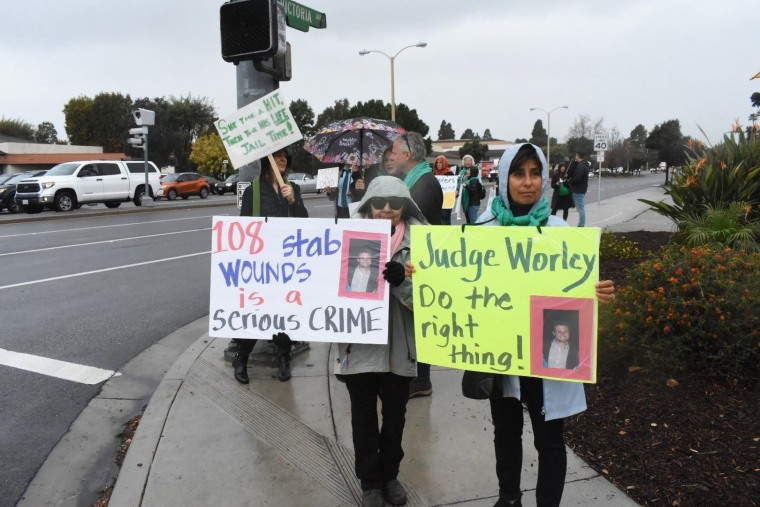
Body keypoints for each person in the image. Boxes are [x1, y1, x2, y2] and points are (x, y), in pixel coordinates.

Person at [477, 143, 615, 507]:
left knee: (549, 437)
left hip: (545, 354)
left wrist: (597, 292)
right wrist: (423, 272)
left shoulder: (558, 230)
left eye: (535, 173)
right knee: (505, 432)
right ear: (504, 178)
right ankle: (509, 498)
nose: (527, 182)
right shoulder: (482, 228)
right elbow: (459, 281)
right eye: (518, 173)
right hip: (500, 351)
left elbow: (576, 286)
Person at [337, 175, 428, 507]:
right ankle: (370, 482)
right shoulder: (345, 238)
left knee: (395, 418)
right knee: (362, 419)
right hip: (357, 347)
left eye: (395, 203)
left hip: (400, 349)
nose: (386, 210)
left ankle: (390, 475)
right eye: (379, 203)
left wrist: (403, 282)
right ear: (368, 205)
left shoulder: (423, 243)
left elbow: (432, 302)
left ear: (405, 206)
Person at [232, 147, 308, 384]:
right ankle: (241, 358)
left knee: (285, 311)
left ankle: (284, 358)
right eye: (277, 155)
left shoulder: (292, 188)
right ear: (267, 161)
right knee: (257, 313)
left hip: (286, 262)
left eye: (285, 156)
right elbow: (244, 229)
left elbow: (304, 221)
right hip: (261, 263)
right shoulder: (253, 191)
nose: (282, 159)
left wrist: (293, 201)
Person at [388, 131, 443, 398]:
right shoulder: (417, 180)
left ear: (407, 155)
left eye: (396, 152)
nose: (393, 156)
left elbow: (413, 225)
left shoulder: (424, 184)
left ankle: (422, 380)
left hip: (418, 270)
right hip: (412, 268)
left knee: (419, 325)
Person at [566, 151, 590, 227]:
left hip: (578, 190)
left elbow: (578, 178)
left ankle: (581, 224)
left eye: (576, 155)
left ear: (578, 156)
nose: (575, 157)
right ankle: (581, 223)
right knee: (581, 208)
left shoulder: (581, 166)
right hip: (581, 189)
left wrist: (570, 181)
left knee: (580, 208)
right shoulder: (584, 165)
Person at [432, 155, 454, 225]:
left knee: (445, 220)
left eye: (440, 163)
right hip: (436, 201)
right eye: (437, 163)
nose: (438, 164)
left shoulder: (450, 174)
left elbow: (453, 187)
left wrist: (455, 192)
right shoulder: (434, 173)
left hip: (446, 201)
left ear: (444, 163)